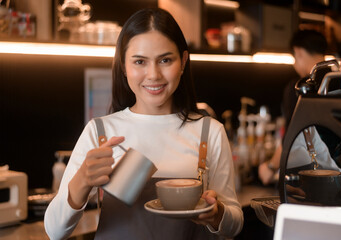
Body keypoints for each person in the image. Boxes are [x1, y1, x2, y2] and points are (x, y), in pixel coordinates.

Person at [44, 8, 243, 240]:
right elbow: (54, 231)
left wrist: (217, 214)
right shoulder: (100, 132)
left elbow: (235, 224)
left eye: (165, 60)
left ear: (183, 61)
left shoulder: (210, 132)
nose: (153, 75)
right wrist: (82, 182)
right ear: (123, 66)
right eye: (139, 62)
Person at [258, 29, 328, 185]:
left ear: (298, 52)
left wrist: (270, 167)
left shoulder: (299, 88)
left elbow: (291, 135)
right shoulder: (339, 81)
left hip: (309, 178)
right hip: (340, 174)